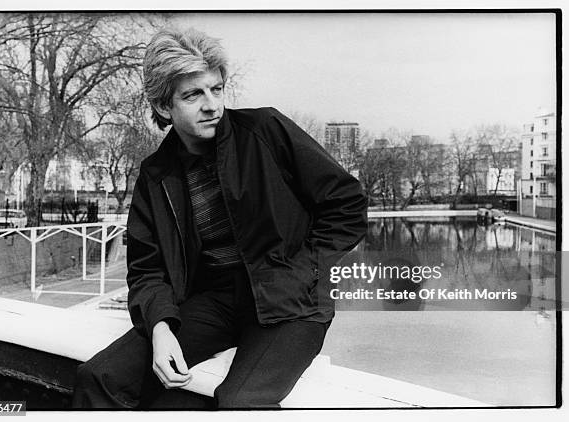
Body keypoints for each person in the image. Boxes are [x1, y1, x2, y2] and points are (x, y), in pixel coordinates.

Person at [72, 26, 368, 409]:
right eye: (194, 94)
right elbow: (147, 270)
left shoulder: (266, 130)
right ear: (165, 107)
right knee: (99, 378)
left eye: (216, 89)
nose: (212, 105)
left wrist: (303, 271)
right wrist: (161, 329)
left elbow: (347, 203)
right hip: (213, 302)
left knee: (239, 403)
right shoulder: (155, 175)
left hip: (290, 302)